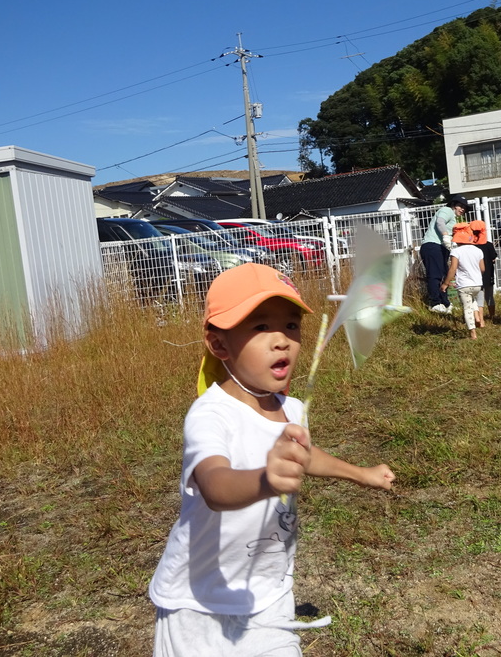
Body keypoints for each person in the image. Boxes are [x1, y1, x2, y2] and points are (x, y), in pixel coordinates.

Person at [149, 263, 395, 657]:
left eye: (291, 326)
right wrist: (264, 479)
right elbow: (215, 485)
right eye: (261, 327)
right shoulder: (211, 414)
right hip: (197, 605)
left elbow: (305, 457)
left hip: (268, 594)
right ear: (219, 344)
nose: (282, 341)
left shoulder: (293, 408)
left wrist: (360, 474)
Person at [420, 196, 469, 313]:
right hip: (433, 245)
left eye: (465, 208)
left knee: (444, 275)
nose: (462, 210)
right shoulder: (447, 210)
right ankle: (435, 303)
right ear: (453, 204)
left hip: (440, 247)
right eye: (460, 206)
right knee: (435, 275)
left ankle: (445, 303)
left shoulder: (454, 218)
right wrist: (446, 235)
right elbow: (440, 222)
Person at [440, 223, 486, 338]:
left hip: (464, 285)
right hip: (477, 284)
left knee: (467, 308)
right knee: (473, 299)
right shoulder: (478, 250)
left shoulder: (456, 252)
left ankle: (473, 333)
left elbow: (453, 268)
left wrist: (446, 283)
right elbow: (483, 268)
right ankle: (477, 317)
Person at [469, 219, 498, 323]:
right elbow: (493, 258)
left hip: (475, 275)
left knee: (479, 298)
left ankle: (481, 320)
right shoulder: (488, 245)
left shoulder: (470, 246)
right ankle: (492, 316)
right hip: (488, 273)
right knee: (489, 296)